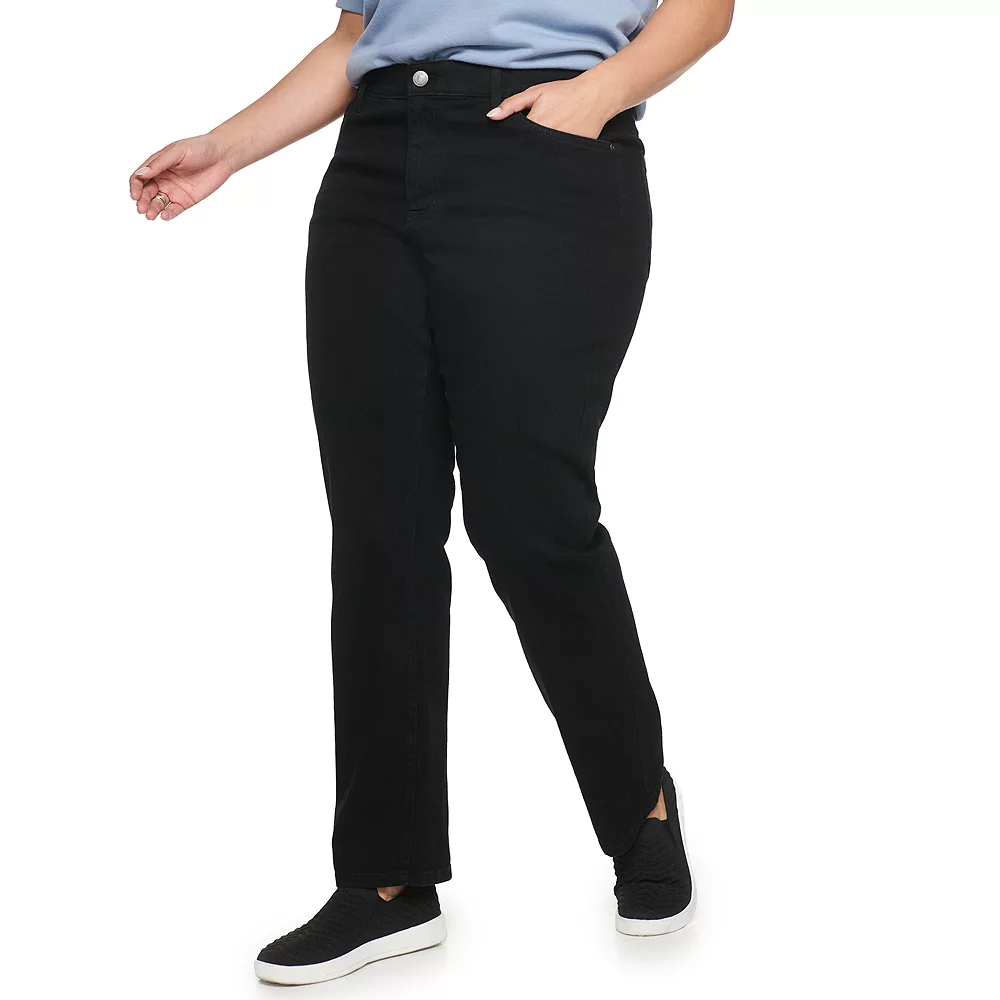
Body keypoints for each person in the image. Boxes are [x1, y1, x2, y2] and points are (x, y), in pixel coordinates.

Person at [129, 0, 733, 985]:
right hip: (374, 170)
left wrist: (599, 96)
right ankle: (387, 881)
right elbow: (354, 39)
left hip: (545, 160)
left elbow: (704, 7)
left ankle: (640, 806)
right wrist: (227, 147)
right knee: (381, 533)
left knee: (530, 520)